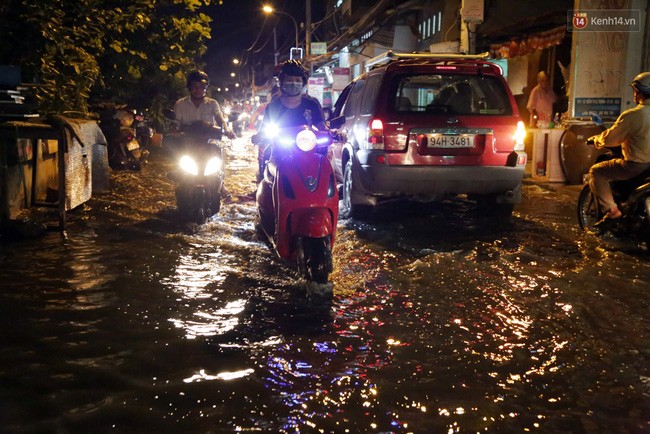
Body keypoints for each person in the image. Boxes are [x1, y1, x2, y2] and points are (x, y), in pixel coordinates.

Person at [588, 71, 650, 227]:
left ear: (641, 92)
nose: (634, 95)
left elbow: (611, 138)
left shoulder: (634, 115)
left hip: (636, 166)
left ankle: (612, 210)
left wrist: (597, 139)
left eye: (635, 91)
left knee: (597, 171)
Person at [252, 60, 327, 175]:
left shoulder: (312, 105)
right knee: (267, 166)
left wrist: (333, 134)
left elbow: (322, 128)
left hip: (308, 151)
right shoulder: (273, 107)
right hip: (278, 154)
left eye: (297, 80)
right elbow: (263, 130)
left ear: (303, 83)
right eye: (289, 80)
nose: (293, 83)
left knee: (324, 170)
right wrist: (258, 137)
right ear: (282, 82)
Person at [173, 70, 236, 139]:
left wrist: (227, 131)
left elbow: (220, 120)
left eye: (202, 87)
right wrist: (174, 130)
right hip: (186, 143)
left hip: (208, 142)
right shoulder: (180, 104)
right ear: (189, 87)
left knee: (216, 148)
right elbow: (175, 122)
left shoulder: (212, 103)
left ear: (205, 88)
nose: (198, 90)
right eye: (194, 86)